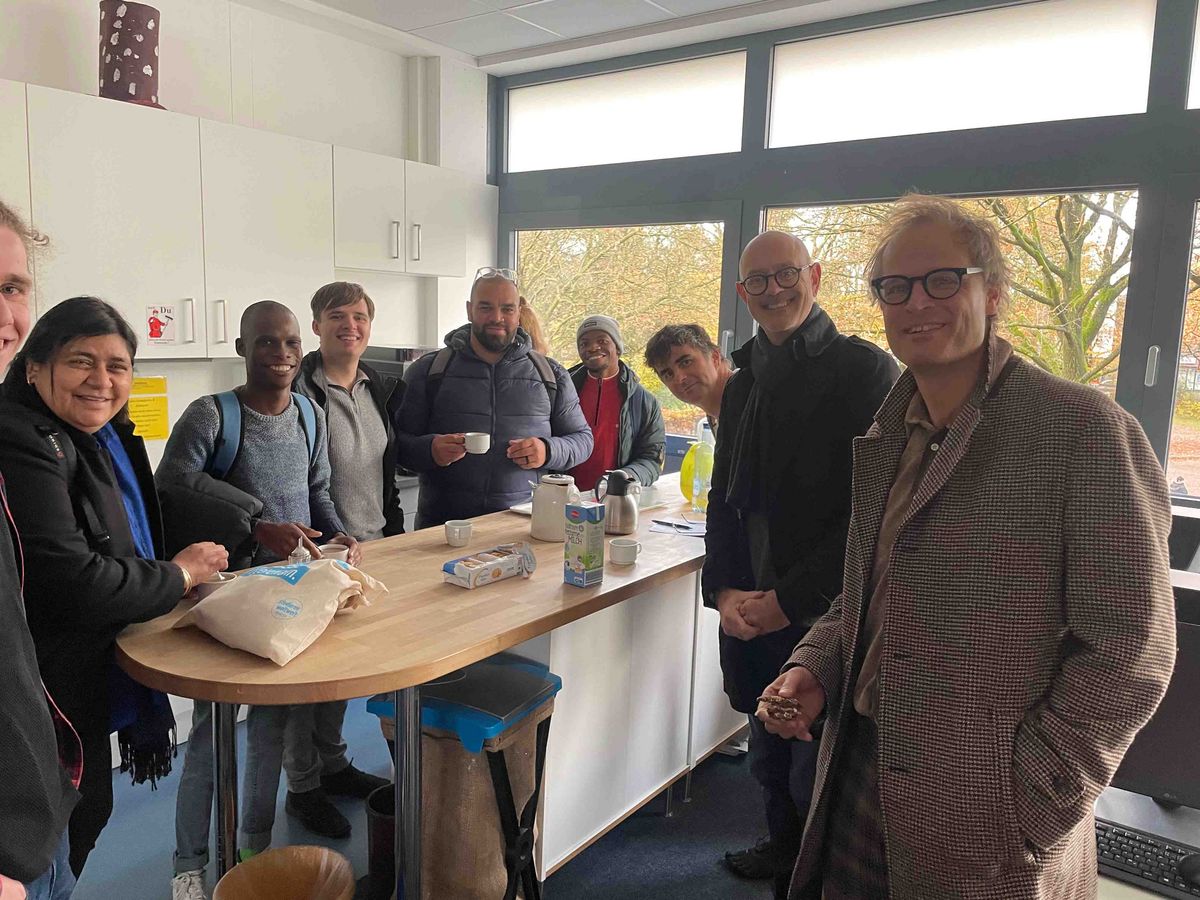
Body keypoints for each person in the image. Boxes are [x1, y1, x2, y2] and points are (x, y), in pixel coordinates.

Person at [760, 195, 1177, 900]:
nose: (917, 302)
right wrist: (816, 664)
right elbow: (873, 591)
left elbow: (1134, 651)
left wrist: (1028, 802)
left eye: (943, 280)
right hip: (857, 772)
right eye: (895, 287)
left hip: (986, 811)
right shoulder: (889, 434)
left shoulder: (1083, 431)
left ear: (995, 293)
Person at [0, 297, 229, 878]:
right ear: (34, 367)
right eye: (81, 361)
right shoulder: (23, 441)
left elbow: (131, 526)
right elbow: (72, 581)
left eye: (117, 365)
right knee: (52, 840)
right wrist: (179, 574)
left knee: (86, 812)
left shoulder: (102, 436)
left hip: (85, 669)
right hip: (43, 685)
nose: (101, 380)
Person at [703, 231, 897, 897]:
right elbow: (723, 497)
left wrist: (789, 600)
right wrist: (724, 591)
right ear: (742, 293)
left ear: (813, 277)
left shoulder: (865, 373)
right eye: (757, 281)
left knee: (815, 754)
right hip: (750, 599)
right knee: (765, 739)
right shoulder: (742, 385)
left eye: (786, 274)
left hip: (823, 608)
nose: (773, 290)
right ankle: (782, 847)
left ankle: (811, 871)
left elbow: (870, 513)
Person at [161, 301, 361, 900]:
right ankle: (189, 865)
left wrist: (341, 535)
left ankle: (254, 849)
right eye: (267, 342)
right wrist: (254, 527)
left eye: (291, 343)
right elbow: (170, 486)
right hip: (224, 599)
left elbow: (317, 491)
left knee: (271, 729)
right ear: (242, 347)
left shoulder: (309, 413)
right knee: (209, 735)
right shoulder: (212, 415)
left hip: (289, 596)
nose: (281, 354)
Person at [290, 281, 399, 822]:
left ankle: (333, 765)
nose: (349, 325)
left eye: (359, 316)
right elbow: (303, 479)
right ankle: (302, 786)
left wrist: (392, 535)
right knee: (307, 677)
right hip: (318, 549)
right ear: (316, 326)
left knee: (340, 674)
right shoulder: (298, 390)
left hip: (371, 544)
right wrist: (322, 539)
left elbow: (384, 471)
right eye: (336, 316)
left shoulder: (379, 387)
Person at [0, 200, 81, 900]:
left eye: (12, 287)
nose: (5, 314)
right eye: (81, 362)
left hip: (34, 806)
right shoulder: (23, 442)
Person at [395, 267, 592, 527]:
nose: (497, 317)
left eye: (507, 309)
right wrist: (430, 450)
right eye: (485, 307)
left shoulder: (550, 374)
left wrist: (547, 450)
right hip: (444, 530)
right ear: (469, 310)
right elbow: (396, 446)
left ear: (518, 313)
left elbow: (582, 440)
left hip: (523, 527)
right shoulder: (429, 371)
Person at [567, 314, 665, 493]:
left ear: (618, 348)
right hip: (564, 497)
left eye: (602, 341)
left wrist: (627, 477)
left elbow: (651, 459)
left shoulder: (644, 402)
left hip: (616, 500)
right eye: (584, 343)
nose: (593, 347)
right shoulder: (562, 392)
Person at [644, 323, 734, 430]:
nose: (679, 378)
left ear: (714, 357)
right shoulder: (717, 415)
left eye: (686, 362)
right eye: (668, 374)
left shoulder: (747, 399)